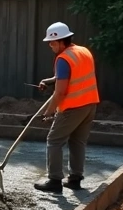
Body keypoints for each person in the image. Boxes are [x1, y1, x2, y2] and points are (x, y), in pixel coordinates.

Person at [34, 22, 100, 193]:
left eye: (52, 42)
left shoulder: (63, 59)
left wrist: (48, 112)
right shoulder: (83, 51)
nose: (50, 45)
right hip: (90, 104)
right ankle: (75, 179)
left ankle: (54, 180)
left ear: (61, 41)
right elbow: (71, 75)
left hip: (72, 107)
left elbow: (61, 92)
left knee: (54, 141)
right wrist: (49, 81)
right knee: (78, 141)